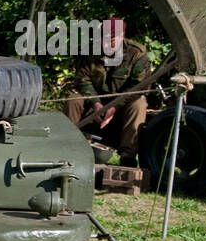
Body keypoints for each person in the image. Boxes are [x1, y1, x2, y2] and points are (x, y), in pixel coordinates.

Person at [64, 18, 152, 168]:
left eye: (110, 39)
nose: (104, 44)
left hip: (122, 106)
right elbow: (82, 80)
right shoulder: (89, 51)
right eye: (102, 38)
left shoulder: (137, 54)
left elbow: (139, 86)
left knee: (139, 103)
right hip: (94, 104)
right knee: (74, 99)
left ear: (121, 36)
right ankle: (66, 149)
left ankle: (127, 157)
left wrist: (114, 107)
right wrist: (96, 104)